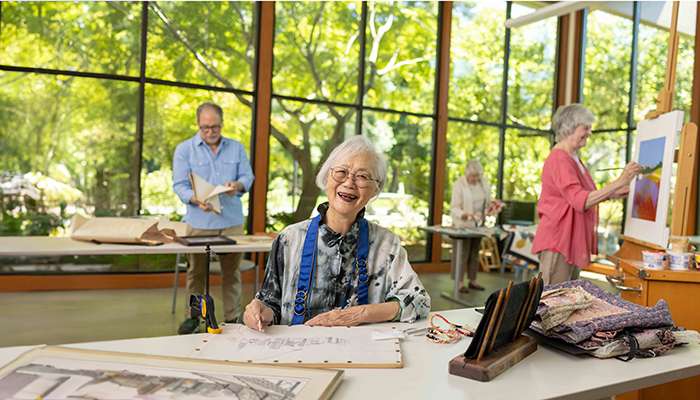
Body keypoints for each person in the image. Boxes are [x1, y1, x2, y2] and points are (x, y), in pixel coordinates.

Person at [241, 136, 430, 330]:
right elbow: (271, 303)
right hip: (297, 354)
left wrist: (362, 313)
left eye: (362, 176)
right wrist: (261, 312)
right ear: (326, 177)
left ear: (376, 188)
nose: (349, 183)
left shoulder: (387, 244)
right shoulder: (289, 239)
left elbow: (419, 302)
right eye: (341, 172)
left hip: (364, 353)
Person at [531, 104, 642, 286]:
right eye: (586, 128)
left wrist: (611, 194)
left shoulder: (573, 156)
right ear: (569, 128)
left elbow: (580, 196)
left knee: (566, 300)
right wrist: (620, 181)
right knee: (553, 302)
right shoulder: (560, 158)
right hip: (558, 240)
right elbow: (579, 201)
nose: (590, 133)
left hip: (570, 240)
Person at [172, 102, 255, 334]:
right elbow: (179, 185)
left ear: (222, 124)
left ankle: (233, 317)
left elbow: (247, 177)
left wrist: (237, 185)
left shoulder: (236, 147)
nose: (210, 132)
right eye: (205, 127)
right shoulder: (184, 150)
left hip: (232, 222)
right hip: (199, 222)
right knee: (196, 272)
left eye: (215, 127)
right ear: (198, 124)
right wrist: (194, 198)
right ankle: (192, 318)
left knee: (232, 272)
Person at [450, 159, 491, 293]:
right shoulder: (459, 184)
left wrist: (487, 211)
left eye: (478, 175)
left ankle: (473, 280)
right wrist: (465, 214)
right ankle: (459, 282)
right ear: (467, 174)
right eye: (473, 176)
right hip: (462, 224)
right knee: (462, 253)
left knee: (474, 253)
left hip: (478, 224)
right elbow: (454, 207)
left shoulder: (482, 182)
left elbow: (487, 202)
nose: (476, 178)